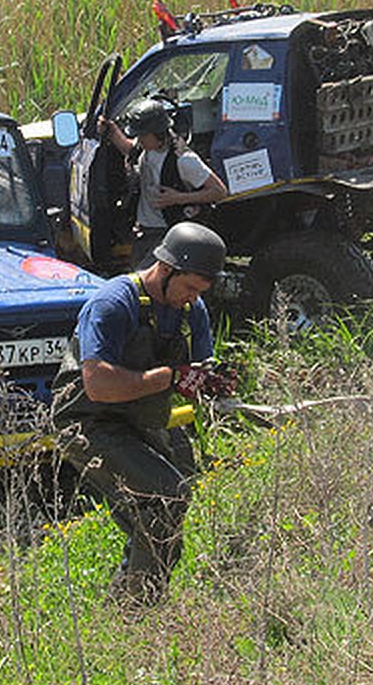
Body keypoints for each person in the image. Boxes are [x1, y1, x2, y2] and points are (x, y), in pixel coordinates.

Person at [52, 222, 236, 607]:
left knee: (159, 524)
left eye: (200, 293)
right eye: (189, 288)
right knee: (167, 496)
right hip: (86, 423)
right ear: (166, 269)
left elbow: (197, 369)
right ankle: (138, 610)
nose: (191, 300)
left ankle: (126, 612)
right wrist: (170, 377)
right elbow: (99, 385)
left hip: (137, 422)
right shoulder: (113, 303)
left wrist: (210, 383)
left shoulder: (192, 309)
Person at [100, 98, 228, 267]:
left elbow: (219, 191)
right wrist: (111, 130)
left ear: (159, 133)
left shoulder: (184, 160)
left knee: (144, 279)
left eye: (143, 135)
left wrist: (178, 198)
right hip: (143, 231)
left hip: (169, 234)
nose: (140, 139)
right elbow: (129, 149)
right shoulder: (145, 147)